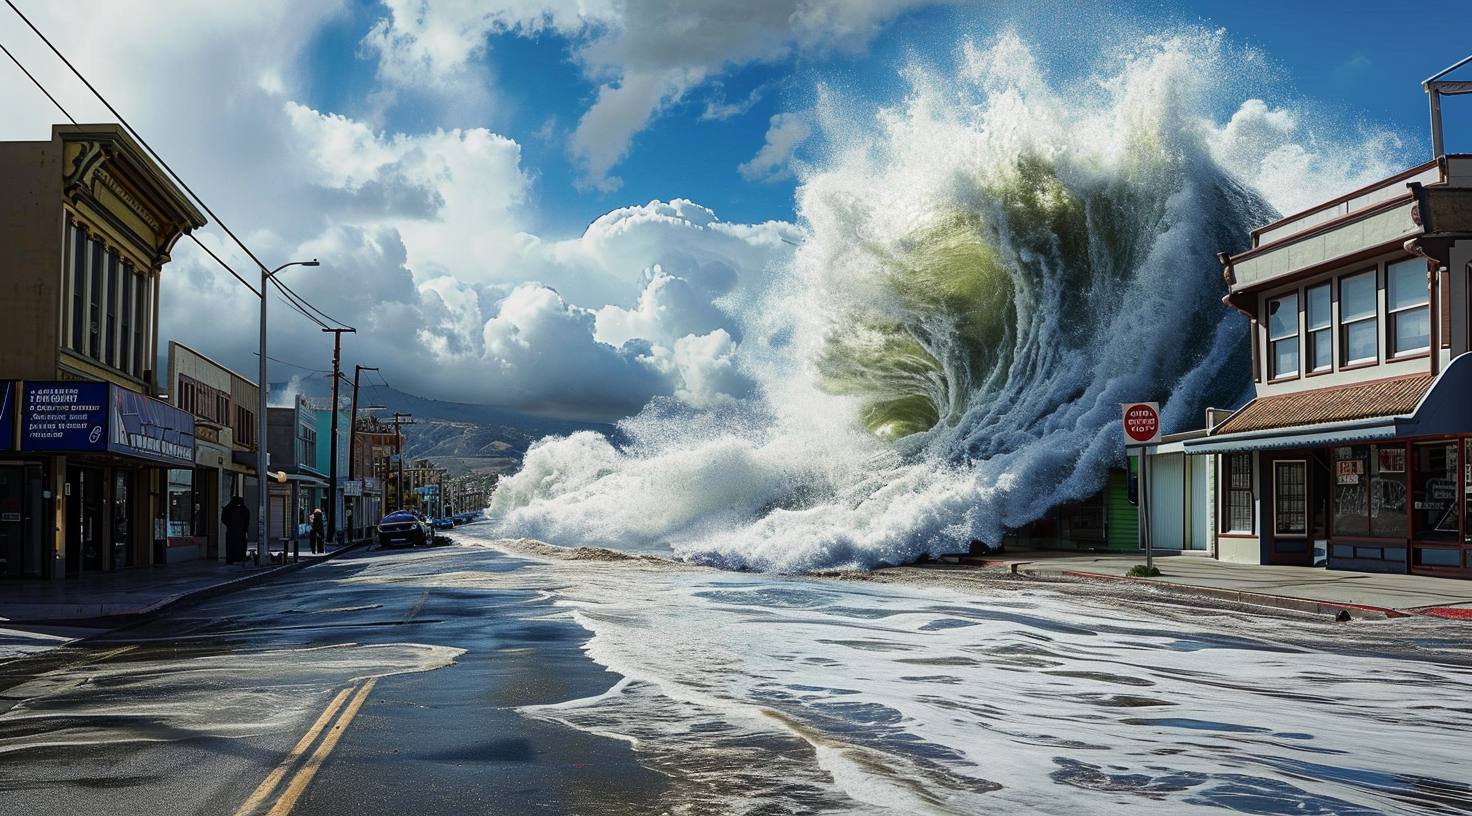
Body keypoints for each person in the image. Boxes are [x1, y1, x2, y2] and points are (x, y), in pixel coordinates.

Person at [222, 496, 249, 564]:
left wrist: (229, 525)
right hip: (241, 531)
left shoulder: (228, 509)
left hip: (231, 531)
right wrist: (245, 528)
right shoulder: (243, 509)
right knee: (241, 545)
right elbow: (247, 520)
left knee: (230, 545)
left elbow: (224, 518)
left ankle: (231, 558)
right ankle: (240, 557)